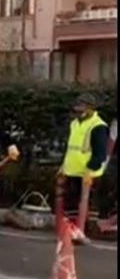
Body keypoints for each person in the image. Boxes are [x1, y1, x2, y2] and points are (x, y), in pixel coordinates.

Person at [59, 93, 109, 242]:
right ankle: (72, 230)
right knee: (72, 202)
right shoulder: (75, 123)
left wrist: (91, 168)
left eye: (81, 106)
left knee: (84, 202)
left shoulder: (98, 126)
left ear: (90, 108)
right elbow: (70, 147)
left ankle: (81, 231)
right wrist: (63, 166)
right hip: (72, 169)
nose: (77, 108)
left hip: (88, 172)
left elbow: (100, 152)